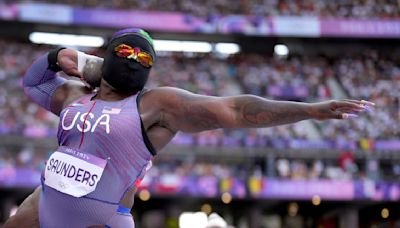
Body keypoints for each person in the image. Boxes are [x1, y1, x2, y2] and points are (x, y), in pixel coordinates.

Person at [3, 28, 373, 228]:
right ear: (106, 57)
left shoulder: (154, 104)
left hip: (101, 218)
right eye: (128, 53)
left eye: (145, 58)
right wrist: (58, 57)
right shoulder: (74, 96)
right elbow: (35, 83)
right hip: (47, 202)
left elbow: (237, 110)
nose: (136, 61)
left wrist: (309, 110)